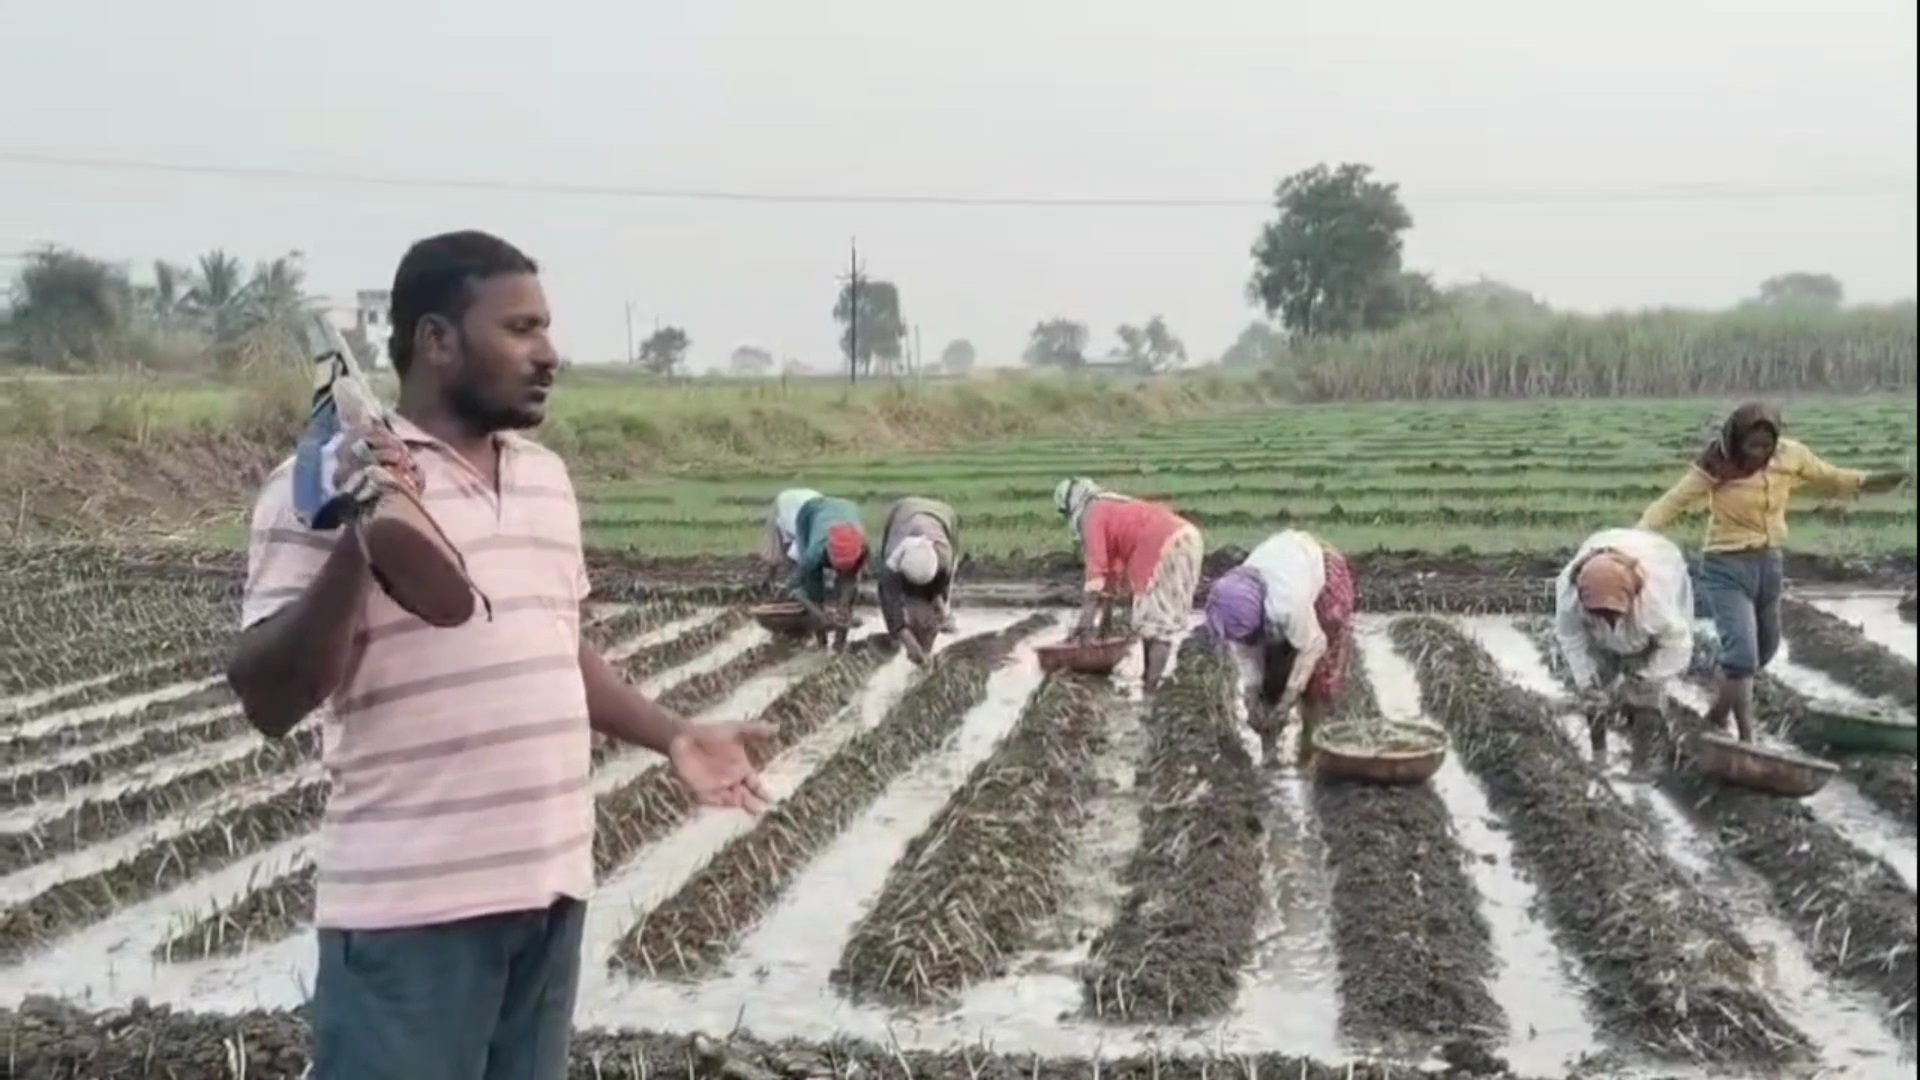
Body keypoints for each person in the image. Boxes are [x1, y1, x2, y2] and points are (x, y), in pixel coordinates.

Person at [224, 231, 775, 1080]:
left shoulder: (547, 479)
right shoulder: (328, 483)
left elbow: (554, 644)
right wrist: (365, 536)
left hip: (550, 895)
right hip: (412, 917)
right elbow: (267, 698)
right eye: (520, 329)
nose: (549, 353)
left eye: (546, 327)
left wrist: (672, 735)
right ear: (438, 340)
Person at [1637, 401, 1907, 743]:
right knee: (1742, 656)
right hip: (1726, 565)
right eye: (1753, 446)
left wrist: (1874, 482)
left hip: (1769, 564)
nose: (1760, 453)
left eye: (1766, 446)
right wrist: (1638, 534)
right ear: (1736, 441)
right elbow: (1673, 501)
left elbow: (1832, 477)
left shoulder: (1790, 456)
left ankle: (1718, 713)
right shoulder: (1717, 463)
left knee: (1766, 648)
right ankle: (1747, 736)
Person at [1202, 529, 1356, 768]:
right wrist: (1252, 692)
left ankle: (1311, 754)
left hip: (1320, 569)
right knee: (1271, 679)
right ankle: (1270, 754)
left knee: (1319, 680)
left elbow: (1314, 645)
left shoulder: (1286, 605)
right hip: (1282, 577)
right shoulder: (1233, 602)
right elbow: (1246, 654)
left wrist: (1289, 699)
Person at [1552, 527, 1696, 767]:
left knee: (1645, 698)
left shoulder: (1655, 603)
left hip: (1649, 640)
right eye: (1600, 612)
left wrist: (1642, 678)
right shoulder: (1570, 597)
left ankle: (1639, 764)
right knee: (1594, 695)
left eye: (1613, 612)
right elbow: (1572, 641)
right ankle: (1599, 758)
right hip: (1597, 640)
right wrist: (1586, 681)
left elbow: (1678, 647)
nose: (1609, 620)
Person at [1053, 477, 1203, 693]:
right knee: (1154, 620)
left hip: (1161, 546)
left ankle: (1150, 694)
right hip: (1187, 538)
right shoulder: (1110, 507)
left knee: (1158, 626)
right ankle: (1148, 683)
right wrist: (1104, 626)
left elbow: (1095, 575)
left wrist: (1083, 627)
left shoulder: (1092, 514)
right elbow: (1110, 580)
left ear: (1070, 504)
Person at [875, 496, 960, 665]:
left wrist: (944, 613)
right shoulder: (892, 562)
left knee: (932, 609)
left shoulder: (944, 558)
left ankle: (927, 651)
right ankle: (915, 648)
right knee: (908, 609)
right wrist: (904, 636)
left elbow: (942, 591)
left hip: (943, 514)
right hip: (903, 512)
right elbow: (889, 602)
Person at [786, 493, 869, 649]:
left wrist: (843, 608)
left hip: (848, 508)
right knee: (813, 585)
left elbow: (851, 580)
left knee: (846, 595)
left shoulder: (862, 547)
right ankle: (821, 641)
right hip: (811, 512)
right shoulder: (814, 553)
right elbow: (793, 587)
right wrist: (818, 613)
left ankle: (839, 644)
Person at [760, 487, 824, 578]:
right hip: (792, 505)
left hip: (809, 503)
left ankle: (776, 576)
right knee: (782, 543)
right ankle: (776, 576)